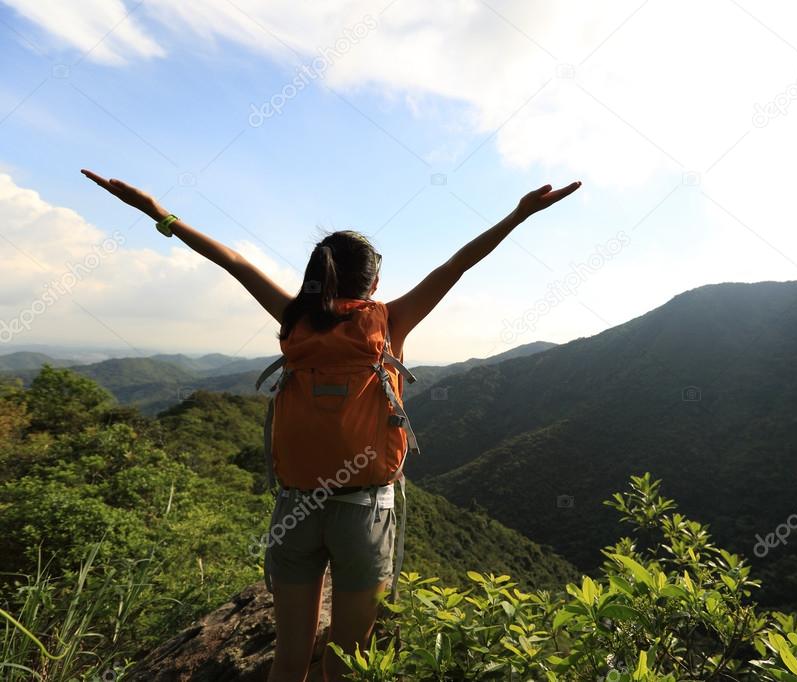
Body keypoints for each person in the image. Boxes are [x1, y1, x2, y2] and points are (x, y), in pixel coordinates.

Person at [80, 168, 581, 681]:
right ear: (375, 282)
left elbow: (230, 261)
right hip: (363, 512)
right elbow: (457, 266)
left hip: (295, 509)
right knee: (345, 665)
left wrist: (157, 213)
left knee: (289, 659)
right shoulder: (389, 321)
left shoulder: (293, 317)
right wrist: (518, 215)